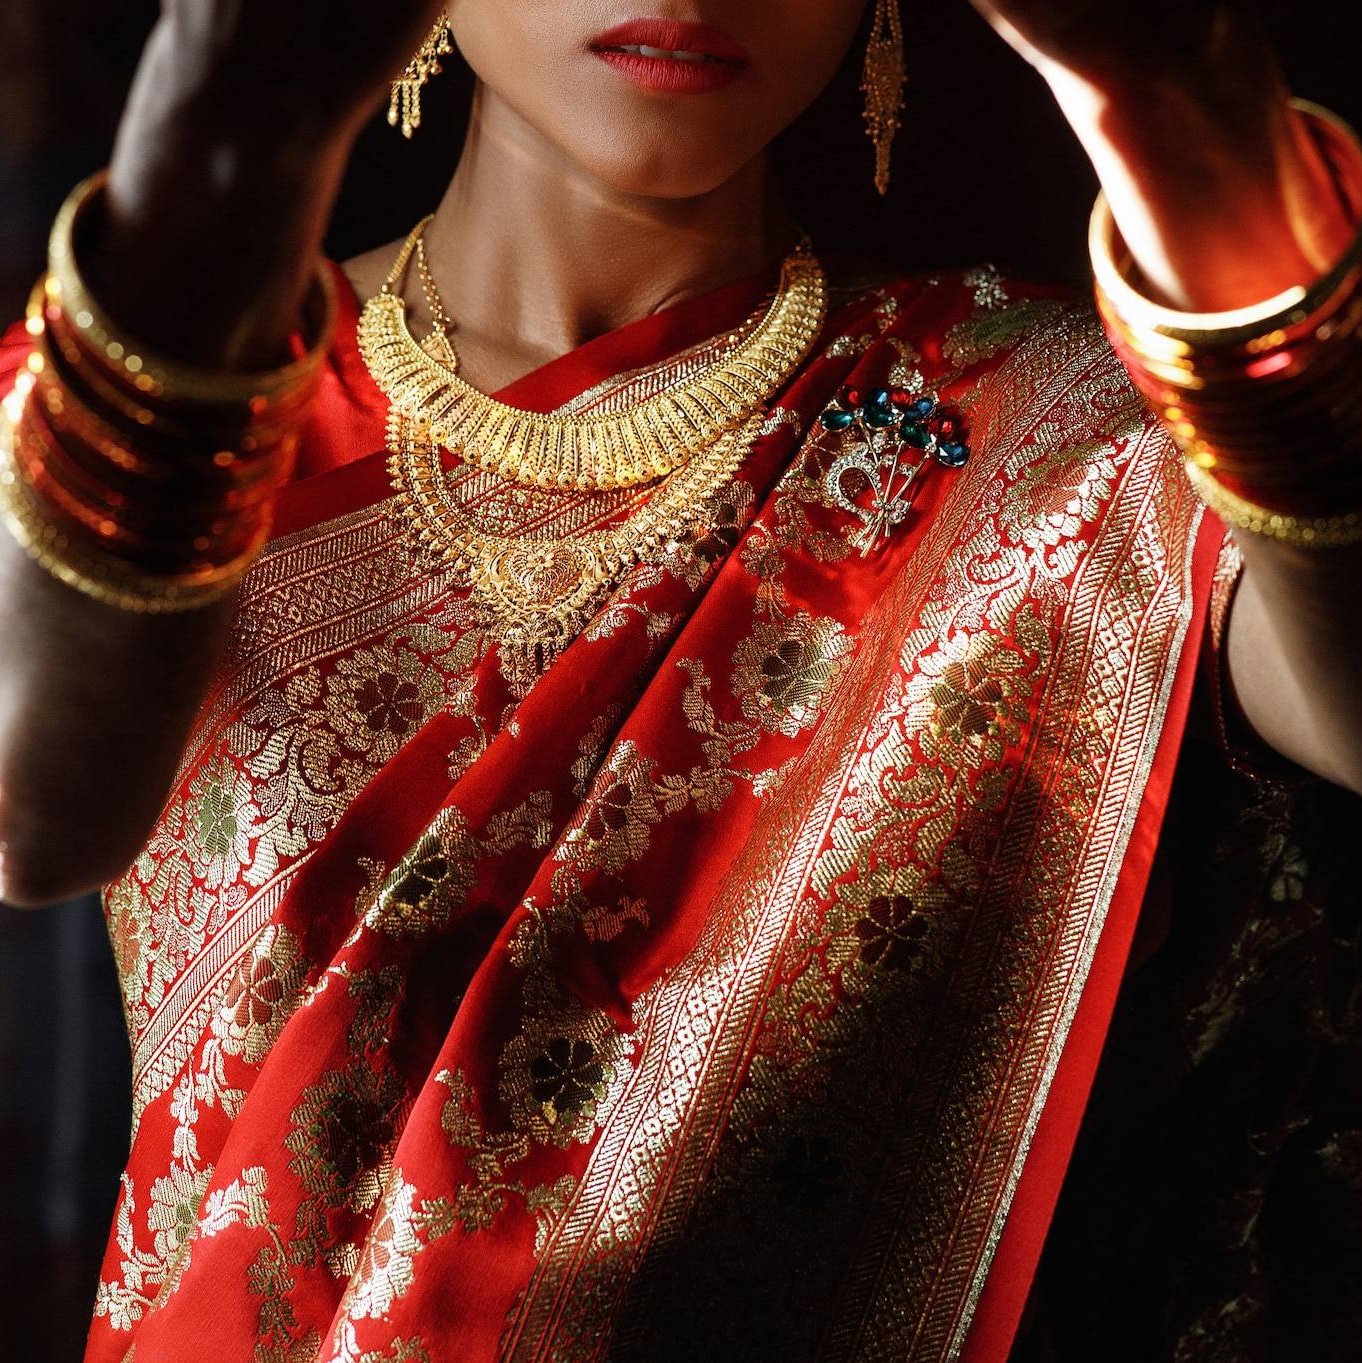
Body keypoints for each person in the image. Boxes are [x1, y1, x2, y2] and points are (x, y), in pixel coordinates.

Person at [0, 1, 1358, 1358]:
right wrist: (208, 181)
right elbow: (33, 808)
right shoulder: (152, 405)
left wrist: (1202, 128)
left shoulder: (1054, 440)